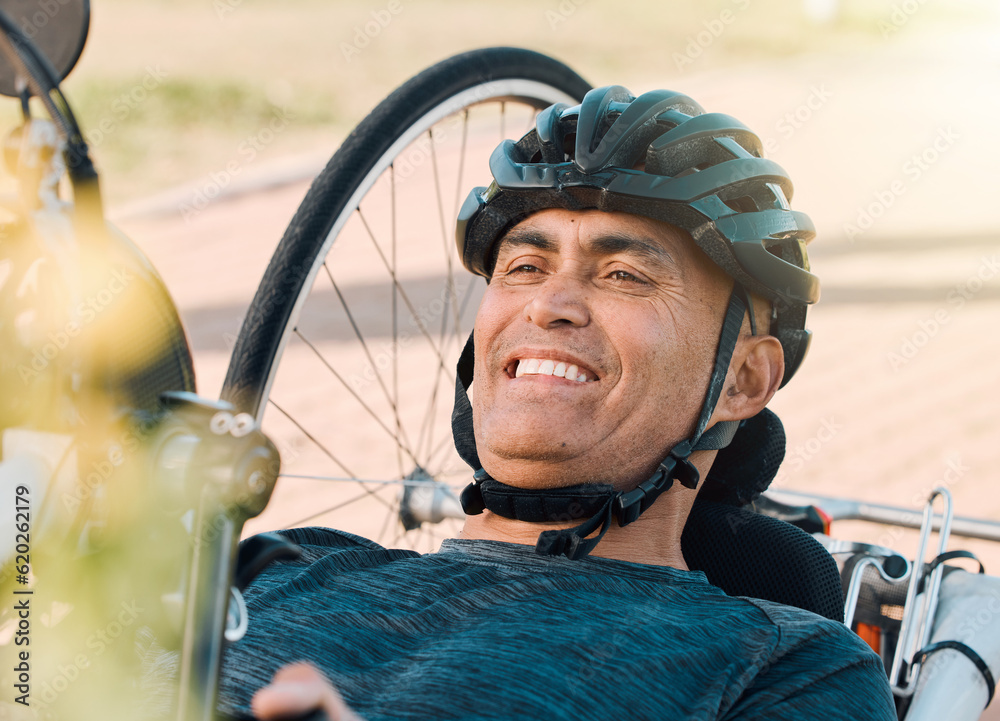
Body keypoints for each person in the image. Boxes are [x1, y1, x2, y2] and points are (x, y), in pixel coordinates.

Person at [217, 86, 897, 721]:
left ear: (744, 380)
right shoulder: (286, 567)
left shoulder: (789, 668)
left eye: (624, 274)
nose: (549, 304)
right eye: (524, 267)